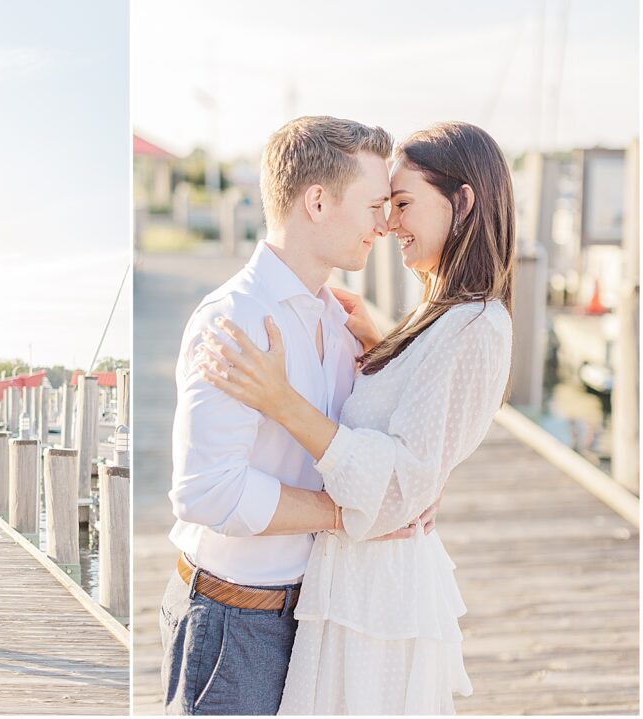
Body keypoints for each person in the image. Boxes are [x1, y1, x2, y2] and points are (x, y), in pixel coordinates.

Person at [198, 121, 515, 714]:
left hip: (378, 603)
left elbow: (399, 485)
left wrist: (283, 403)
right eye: (382, 204)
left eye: (401, 203)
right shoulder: (442, 317)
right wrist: (383, 351)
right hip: (349, 591)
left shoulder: (477, 325)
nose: (389, 222)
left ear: (463, 201)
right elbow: (407, 424)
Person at [160, 116, 434, 715]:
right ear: (316, 201)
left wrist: (381, 352)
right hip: (233, 624)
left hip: (315, 611)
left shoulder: (339, 321)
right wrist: (344, 515)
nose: (385, 223)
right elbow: (206, 491)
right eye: (374, 204)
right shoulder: (234, 321)